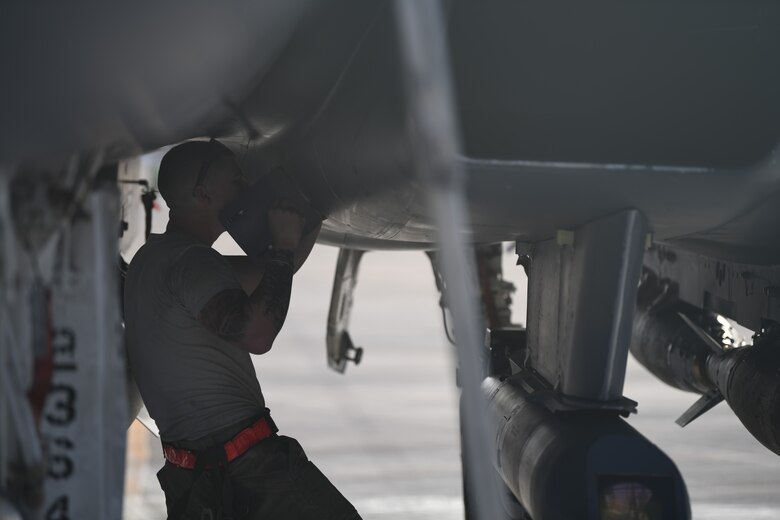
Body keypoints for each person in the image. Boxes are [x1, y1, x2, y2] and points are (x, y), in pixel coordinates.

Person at [124, 139, 361, 520]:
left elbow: (271, 277)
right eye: (235, 180)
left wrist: (308, 217)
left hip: (196, 480)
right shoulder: (192, 264)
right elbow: (258, 334)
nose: (244, 188)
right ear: (202, 194)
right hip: (246, 471)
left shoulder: (157, 259)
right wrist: (282, 244)